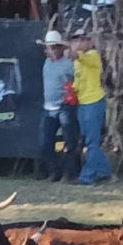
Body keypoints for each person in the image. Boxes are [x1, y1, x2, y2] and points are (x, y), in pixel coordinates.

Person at [37, 29, 80, 182]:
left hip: (65, 106)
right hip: (48, 107)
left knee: (70, 141)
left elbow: (78, 80)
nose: (52, 50)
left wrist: (71, 94)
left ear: (61, 48)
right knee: (45, 142)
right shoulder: (46, 62)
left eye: (55, 47)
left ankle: (70, 174)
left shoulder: (70, 64)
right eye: (49, 48)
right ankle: (53, 172)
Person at [71, 30, 113, 185]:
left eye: (82, 40)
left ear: (90, 42)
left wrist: (68, 47)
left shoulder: (93, 55)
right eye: (76, 40)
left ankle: (86, 177)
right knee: (89, 139)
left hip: (94, 102)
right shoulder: (78, 61)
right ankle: (104, 172)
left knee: (91, 142)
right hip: (83, 102)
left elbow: (75, 56)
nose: (79, 43)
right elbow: (79, 79)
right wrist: (72, 90)